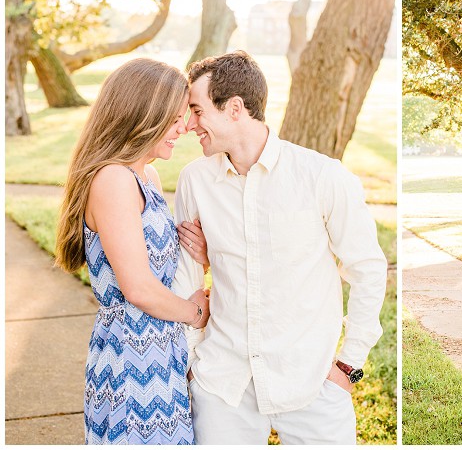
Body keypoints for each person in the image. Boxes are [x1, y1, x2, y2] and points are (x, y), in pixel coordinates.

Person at [171, 50, 388, 445]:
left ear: (235, 108)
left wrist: (348, 365)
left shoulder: (322, 177)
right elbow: (185, 276)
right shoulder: (194, 181)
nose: (189, 125)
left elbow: (368, 270)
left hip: (311, 381)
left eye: (198, 111)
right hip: (223, 382)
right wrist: (190, 362)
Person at [55, 58, 211, 444]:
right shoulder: (113, 179)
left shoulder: (146, 176)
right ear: (143, 116)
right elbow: (138, 288)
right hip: (132, 358)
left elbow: (157, 265)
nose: (186, 127)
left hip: (163, 350)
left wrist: (202, 254)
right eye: (175, 118)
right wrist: (195, 313)